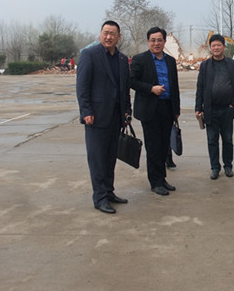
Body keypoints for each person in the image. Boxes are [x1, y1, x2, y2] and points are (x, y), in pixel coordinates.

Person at [76, 20, 131, 214]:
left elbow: (124, 87)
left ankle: (109, 192)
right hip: (96, 117)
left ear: (119, 37)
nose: (108, 37)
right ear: (100, 34)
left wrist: (127, 110)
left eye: (112, 33)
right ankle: (99, 198)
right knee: (98, 159)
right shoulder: (89, 55)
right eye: (105, 33)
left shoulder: (122, 59)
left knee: (110, 158)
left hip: (116, 117)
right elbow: (82, 86)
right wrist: (86, 111)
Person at [130, 27, 181, 196]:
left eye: (159, 40)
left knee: (164, 146)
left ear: (164, 42)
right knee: (153, 147)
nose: (156, 43)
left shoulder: (170, 61)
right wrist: (151, 88)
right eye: (153, 40)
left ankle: (162, 178)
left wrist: (176, 109)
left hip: (167, 108)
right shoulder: (140, 60)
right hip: (149, 109)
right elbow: (131, 81)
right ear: (148, 41)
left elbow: (175, 86)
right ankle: (155, 182)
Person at [195, 34, 234, 179]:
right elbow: (200, 87)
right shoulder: (205, 66)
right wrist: (198, 107)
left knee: (228, 140)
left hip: (227, 109)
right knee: (212, 140)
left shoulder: (232, 65)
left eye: (219, 45)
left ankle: (228, 166)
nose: (216, 48)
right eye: (213, 45)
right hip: (210, 109)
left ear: (224, 47)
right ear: (210, 48)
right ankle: (215, 167)